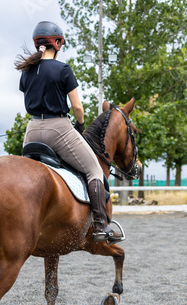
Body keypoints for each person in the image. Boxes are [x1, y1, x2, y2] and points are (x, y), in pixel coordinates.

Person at [15, 21, 122, 243]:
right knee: (94, 171)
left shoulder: (26, 72)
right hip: (59, 128)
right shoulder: (63, 69)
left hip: (32, 130)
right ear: (58, 43)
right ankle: (102, 226)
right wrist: (80, 125)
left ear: (38, 44)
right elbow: (77, 108)